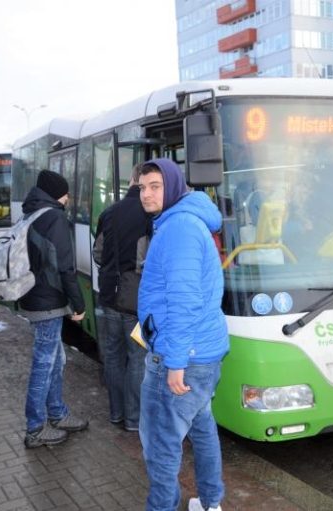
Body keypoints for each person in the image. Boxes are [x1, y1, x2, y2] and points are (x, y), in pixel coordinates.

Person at [136, 158, 229, 511]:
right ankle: (210, 502)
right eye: (142, 187)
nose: (146, 194)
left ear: (172, 187)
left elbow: (184, 300)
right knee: (202, 429)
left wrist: (174, 362)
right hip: (201, 353)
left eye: (155, 186)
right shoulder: (185, 221)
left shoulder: (179, 229)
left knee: (161, 444)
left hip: (182, 359)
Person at [18, 170, 88, 448]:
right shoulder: (55, 217)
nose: (69, 198)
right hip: (48, 301)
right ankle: (35, 428)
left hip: (35, 297)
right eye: (66, 193)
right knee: (44, 364)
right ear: (58, 193)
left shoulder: (31, 213)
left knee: (55, 360)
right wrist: (78, 305)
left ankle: (57, 413)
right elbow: (65, 268)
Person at [92, 163, 152, 432]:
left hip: (107, 296)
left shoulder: (109, 212)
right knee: (137, 359)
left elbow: (97, 253)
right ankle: (134, 419)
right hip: (135, 301)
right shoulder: (149, 214)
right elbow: (148, 262)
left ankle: (116, 413)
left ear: (130, 180)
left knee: (113, 357)